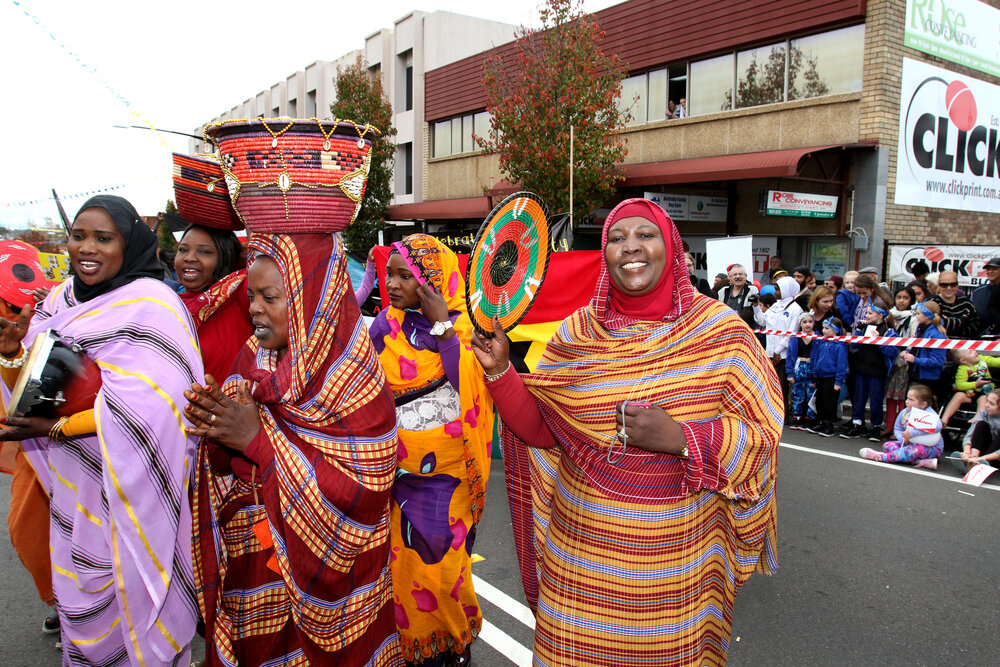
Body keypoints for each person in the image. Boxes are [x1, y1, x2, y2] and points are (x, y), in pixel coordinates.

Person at [470, 198, 781, 667]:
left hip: (677, 569)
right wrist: (500, 373)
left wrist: (682, 438)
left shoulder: (721, 332)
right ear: (605, 253)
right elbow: (542, 429)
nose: (630, 247)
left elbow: (762, 434)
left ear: (671, 247)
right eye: (616, 238)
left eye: (645, 235)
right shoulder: (578, 332)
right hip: (580, 564)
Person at [0, 195, 202, 665]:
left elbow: (157, 410)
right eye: (79, 236)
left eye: (104, 238)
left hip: (135, 488)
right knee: (80, 606)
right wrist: (11, 356)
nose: (87, 248)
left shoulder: (154, 307)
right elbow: (30, 392)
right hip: (74, 491)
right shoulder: (59, 299)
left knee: (135, 599)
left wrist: (59, 428)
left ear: (129, 245)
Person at [185, 233, 403, 666]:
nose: (253, 309)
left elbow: (361, 492)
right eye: (251, 296)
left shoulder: (356, 380)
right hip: (257, 575)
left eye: (270, 297)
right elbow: (225, 464)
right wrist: (218, 424)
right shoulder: (254, 357)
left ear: (314, 305)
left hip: (337, 586)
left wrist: (257, 441)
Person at [368, 235, 493, 666]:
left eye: (408, 276)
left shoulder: (461, 329)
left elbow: (471, 391)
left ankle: (454, 647)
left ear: (436, 281)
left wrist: (441, 328)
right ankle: (417, 648)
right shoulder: (383, 327)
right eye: (391, 274)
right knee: (404, 569)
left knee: (444, 571)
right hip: (398, 475)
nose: (395, 284)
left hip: (451, 477)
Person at [0, 241, 58, 638]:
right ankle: (62, 600)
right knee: (28, 531)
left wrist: (52, 308)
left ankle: (83, 607)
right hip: (30, 445)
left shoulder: (57, 303)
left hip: (71, 437)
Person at [175, 224, 252, 383]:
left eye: (204, 251)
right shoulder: (164, 302)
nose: (189, 257)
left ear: (225, 257)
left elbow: (263, 262)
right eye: (183, 250)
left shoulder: (240, 295)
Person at [840, 302, 897, 441]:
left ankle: (876, 426)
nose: (867, 316)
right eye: (867, 313)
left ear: (880, 315)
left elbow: (892, 352)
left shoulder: (889, 332)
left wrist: (879, 340)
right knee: (859, 398)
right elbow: (854, 345)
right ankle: (857, 423)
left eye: (870, 313)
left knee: (876, 400)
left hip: (878, 371)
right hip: (862, 368)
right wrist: (858, 331)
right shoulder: (865, 328)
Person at [860, 384, 942, 469]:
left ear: (923, 404)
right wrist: (901, 438)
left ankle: (882, 457)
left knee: (916, 450)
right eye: (907, 398)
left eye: (911, 399)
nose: (907, 401)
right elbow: (898, 428)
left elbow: (938, 426)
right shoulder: (905, 412)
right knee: (887, 445)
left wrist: (913, 433)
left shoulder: (929, 414)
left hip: (932, 448)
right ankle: (920, 462)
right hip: (909, 443)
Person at [754, 274, 803, 411]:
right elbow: (762, 321)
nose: (775, 292)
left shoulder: (795, 309)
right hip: (770, 351)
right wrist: (756, 307)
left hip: (783, 354)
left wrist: (778, 351)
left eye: (778, 289)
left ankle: (783, 414)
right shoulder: (775, 306)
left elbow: (791, 332)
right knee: (769, 385)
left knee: (781, 386)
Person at [805, 317, 848, 437]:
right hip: (821, 376)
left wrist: (838, 381)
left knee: (830, 402)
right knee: (820, 401)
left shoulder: (839, 346)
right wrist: (815, 376)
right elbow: (816, 359)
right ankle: (821, 421)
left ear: (835, 330)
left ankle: (829, 424)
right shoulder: (822, 342)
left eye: (827, 328)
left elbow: (841, 365)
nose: (823, 331)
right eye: (823, 328)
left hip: (832, 377)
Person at [885, 286, 918, 433]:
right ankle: (889, 426)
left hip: (903, 362)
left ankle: (900, 428)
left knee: (901, 397)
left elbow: (913, 338)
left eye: (905, 298)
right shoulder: (890, 315)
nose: (901, 301)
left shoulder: (913, 317)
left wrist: (905, 353)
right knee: (890, 396)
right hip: (889, 359)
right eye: (899, 297)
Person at [898, 301, 948, 395]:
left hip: (927, 378)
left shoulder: (937, 335)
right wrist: (908, 351)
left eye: (918, 314)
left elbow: (937, 360)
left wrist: (915, 360)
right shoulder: (920, 329)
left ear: (927, 316)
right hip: (915, 374)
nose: (916, 316)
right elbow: (917, 349)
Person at [941, 348, 1000, 426]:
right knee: (958, 395)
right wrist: (975, 384)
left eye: (974, 350)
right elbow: (959, 385)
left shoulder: (982, 359)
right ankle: (945, 418)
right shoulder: (963, 368)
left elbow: (997, 362)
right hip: (971, 393)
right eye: (970, 352)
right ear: (964, 361)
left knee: (983, 399)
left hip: (986, 392)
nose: (975, 352)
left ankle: (978, 418)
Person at [947, 389, 1000, 471]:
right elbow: (970, 435)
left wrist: (984, 458)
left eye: (991, 403)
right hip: (987, 450)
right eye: (987, 401)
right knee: (981, 425)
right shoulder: (984, 414)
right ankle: (972, 460)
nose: (986, 405)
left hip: (996, 455)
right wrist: (967, 453)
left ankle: (983, 462)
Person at [786, 312, 817, 430]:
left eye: (810, 321)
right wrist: (790, 373)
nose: (807, 324)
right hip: (799, 366)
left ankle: (810, 418)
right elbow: (790, 355)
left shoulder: (817, 337)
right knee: (797, 393)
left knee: (811, 393)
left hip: (811, 367)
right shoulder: (795, 338)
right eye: (804, 322)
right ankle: (797, 416)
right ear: (800, 324)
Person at [931, 270, 979, 340]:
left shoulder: (966, 303)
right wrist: (963, 320)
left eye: (953, 284)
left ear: (957, 285)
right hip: (940, 343)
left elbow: (975, 326)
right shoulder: (932, 303)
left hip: (964, 343)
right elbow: (935, 327)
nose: (949, 288)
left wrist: (949, 323)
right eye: (944, 285)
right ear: (939, 285)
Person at [972, 257, 1000, 336]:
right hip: (980, 334)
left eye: (994, 269)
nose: (990, 272)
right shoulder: (978, 291)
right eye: (988, 269)